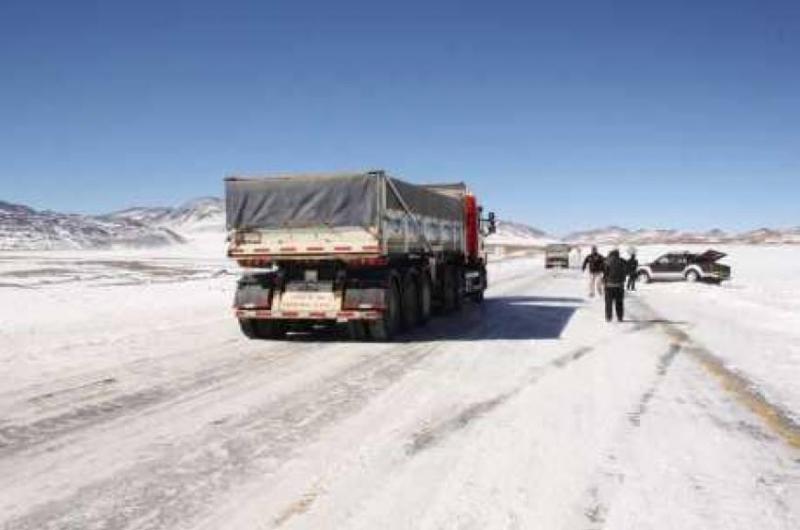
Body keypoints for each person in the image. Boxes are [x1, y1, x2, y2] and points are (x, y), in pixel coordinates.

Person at [603, 249, 628, 322]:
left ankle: (608, 317)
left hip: (609, 286)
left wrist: (604, 281)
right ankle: (620, 317)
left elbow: (604, 273)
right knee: (619, 302)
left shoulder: (606, 261)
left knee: (608, 303)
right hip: (619, 286)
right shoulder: (623, 261)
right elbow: (627, 271)